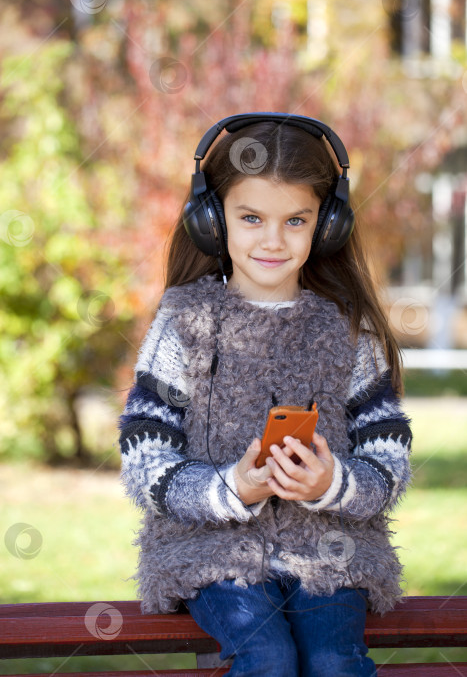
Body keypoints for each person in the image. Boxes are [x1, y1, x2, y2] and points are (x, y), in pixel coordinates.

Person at [118, 113, 413, 676]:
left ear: (325, 227)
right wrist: (231, 488)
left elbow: (389, 453)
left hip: (332, 554)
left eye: (295, 220)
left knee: (333, 659)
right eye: (251, 217)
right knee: (268, 655)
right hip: (211, 552)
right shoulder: (186, 322)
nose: (273, 240)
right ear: (212, 221)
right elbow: (143, 455)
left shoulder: (349, 331)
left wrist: (334, 484)